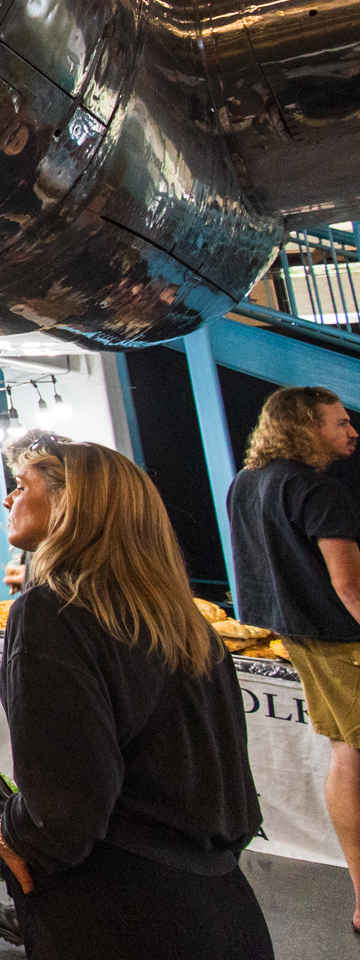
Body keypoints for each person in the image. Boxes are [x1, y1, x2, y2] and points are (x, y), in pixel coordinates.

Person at [0, 435, 266, 957]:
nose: (8, 500)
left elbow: (64, 811)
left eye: (21, 486)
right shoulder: (186, 622)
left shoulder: (51, 613)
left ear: (70, 505)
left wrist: (11, 834)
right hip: (222, 906)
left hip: (119, 910)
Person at [229, 386, 360, 927]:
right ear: (305, 428)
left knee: (345, 750)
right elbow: (351, 587)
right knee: (352, 755)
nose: (352, 432)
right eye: (339, 423)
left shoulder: (246, 484)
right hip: (345, 643)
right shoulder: (317, 490)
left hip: (298, 638)